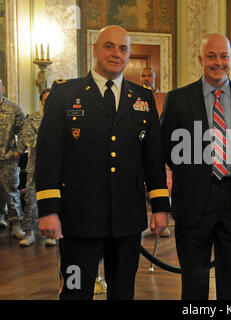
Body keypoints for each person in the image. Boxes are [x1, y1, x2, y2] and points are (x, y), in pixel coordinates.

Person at [35, 25, 170, 300]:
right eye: (109, 46)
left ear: (129, 54)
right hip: (78, 220)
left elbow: (153, 160)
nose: (116, 53)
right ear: (95, 49)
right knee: (74, 292)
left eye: (123, 49)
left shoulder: (143, 98)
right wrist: (48, 210)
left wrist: (160, 207)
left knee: (123, 292)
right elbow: (48, 156)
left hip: (127, 219)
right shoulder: (64, 94)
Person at [161, 33, 231, 300]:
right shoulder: (178, 99)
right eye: (212, 56)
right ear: (200, 59)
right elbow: (168, 148)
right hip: (193, 201)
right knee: (194, 284)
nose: (219, 62)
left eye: (224, 56)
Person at [17, 88, 56, 247]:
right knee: (30, 198)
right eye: (45, 100)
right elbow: (28, 138)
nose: (48, 103)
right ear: (41, 101)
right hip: (35, 164)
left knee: (53, 199)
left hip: (55, 165)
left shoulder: (60, 117)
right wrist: (48, 143)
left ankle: (51, 234)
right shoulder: (32, 118)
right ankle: (29, 232)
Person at [139, 66, 169, 238]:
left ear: (155, 78)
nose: (146, 79)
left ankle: (160, 218)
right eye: (143, 76)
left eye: (149, 76)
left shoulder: (162, 98)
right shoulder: (136, 96)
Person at [0, 78, 26, 239]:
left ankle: (16, 224)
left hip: (8, 159)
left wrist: (19, 151)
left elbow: (24, 130)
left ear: (3, 88)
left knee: (11, 192)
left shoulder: (12, 108)